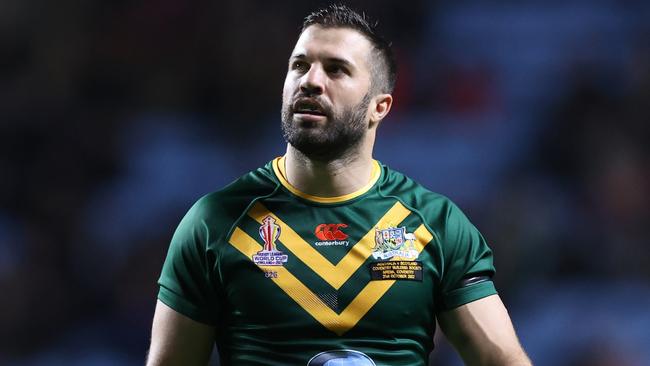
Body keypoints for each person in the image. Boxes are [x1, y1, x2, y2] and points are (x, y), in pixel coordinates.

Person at [146, 5, 532, 366]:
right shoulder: (213, 222)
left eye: (336, 70)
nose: (310, 81)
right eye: (299, 66)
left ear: (379, 107)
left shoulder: (436, 224)